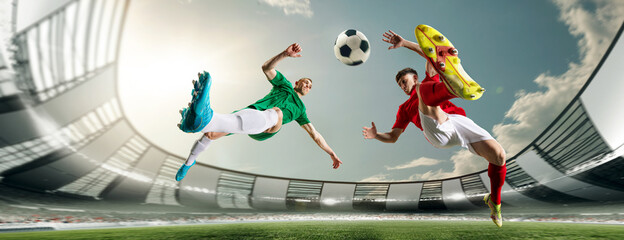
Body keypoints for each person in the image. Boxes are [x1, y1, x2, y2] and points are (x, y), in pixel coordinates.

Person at [362, 30, 507, 227]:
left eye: (404, 82)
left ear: (414, 77)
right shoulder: (404, 108)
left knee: (499, 156)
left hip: (458, 121)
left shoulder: (428, 80)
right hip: (437, 132)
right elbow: (393, 136)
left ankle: (495, 203)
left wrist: (404, 43)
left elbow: (429, 54)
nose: (403, 87)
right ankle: (453, 89)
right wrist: (376, 135)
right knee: (424, 91)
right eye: (400, 86)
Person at [176, 43, 342, 181]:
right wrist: (284, 54)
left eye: (310, 87)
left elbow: (315, 135)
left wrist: (331, 153)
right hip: (250, 115)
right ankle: (189, 161)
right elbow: (266, 68)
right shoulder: (283, 85)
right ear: (297, 82)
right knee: (210, 135)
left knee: (277, 112)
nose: (307, 86)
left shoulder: (301, 110)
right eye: (306, 83)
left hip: (268, 128)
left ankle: (207, 118)